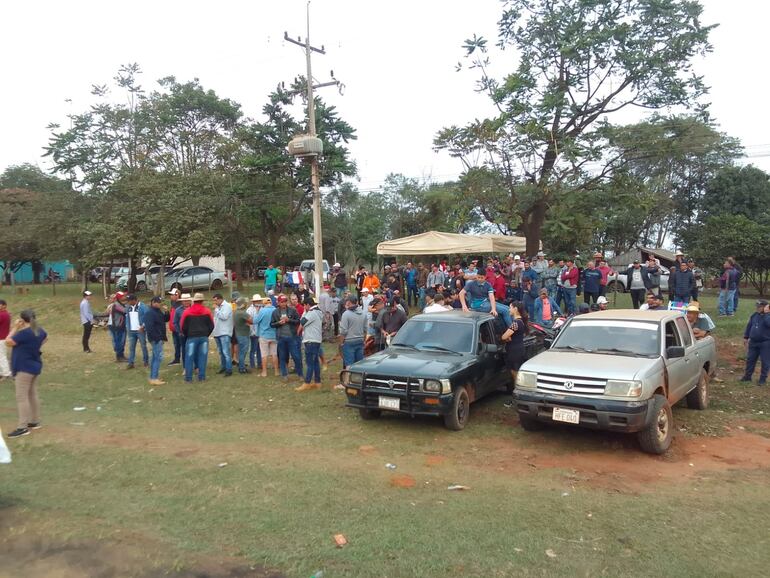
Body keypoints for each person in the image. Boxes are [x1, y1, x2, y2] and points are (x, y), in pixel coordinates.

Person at [4, 310, 47, 438]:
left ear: (22, 320)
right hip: (35, 365)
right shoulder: (39, 331)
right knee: (32, 394)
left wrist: (15, 327)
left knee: (21, 397)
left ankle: (22, 427)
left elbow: (7, 341)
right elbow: (45, 339)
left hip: (24, 367)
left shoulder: (23, 334)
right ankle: (34, 421)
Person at [180, 293, 214, 382]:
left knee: (189, 357)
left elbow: (182, 326)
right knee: (203, 357)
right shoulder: (207, 311)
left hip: (191, 337)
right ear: (202, 301)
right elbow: (211, 325)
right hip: (203, 337)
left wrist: (187, 334)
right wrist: (206, 334)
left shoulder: (187, 312)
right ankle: (201, 377)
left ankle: (188, 378)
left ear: (193, 301)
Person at [271, 294, 302, 381]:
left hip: (292, 337)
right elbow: (272, 324)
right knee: (282, 356)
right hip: (281, 337)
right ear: (278, 303)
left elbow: (298, 321)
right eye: (282, 302)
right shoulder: (275, 312)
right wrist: (278, 323)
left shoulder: (292, 310)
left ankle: (300, 374)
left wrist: (289, 320)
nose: (284, 304)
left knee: (296, 356)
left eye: (285, 302)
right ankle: (284, 374)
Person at [296, 297, 324, 391]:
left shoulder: (312, 313)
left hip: (311, 340)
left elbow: (302, 321)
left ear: (308, 305)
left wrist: (305, 312)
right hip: (316, 340)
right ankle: (317, 382)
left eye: (304, 305)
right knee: (315, 362)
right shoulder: (318, 311)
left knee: (310, 363)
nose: (304, 307)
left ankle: (307, 382)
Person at [741, 300, 770, 385]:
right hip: (753, 342)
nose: (757, 308)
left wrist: (766, 314)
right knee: (750, 359)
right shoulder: (754, 315)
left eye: (760, 306)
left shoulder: (768, 317)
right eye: (757, 306)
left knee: (765, 361)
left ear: (765, 307)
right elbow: (749, 326)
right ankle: (747, 376)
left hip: (765, 342)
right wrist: (746, 337)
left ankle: (762, 379)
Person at [144, 296, 170, 386]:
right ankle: (154, 378)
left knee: (155, 357)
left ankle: (153, 376)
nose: (160, 304)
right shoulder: (150, 313)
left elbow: (165, 319)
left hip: (159, 337)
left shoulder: (158, 311)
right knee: (158, 358)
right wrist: (157, 338)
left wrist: (166, 311)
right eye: (158, 302)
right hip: (156, 338)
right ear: (153, 302)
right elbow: (149, 328)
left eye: (160, 302)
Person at [501, 301, 528, 385]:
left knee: (515, 373)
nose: (509, 309)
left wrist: (506, 337)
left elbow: (504, 337)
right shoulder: (520, 322)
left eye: (510, 307)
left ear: (515, 309)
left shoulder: (516, 323)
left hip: (514, 351)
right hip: (518, 349)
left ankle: (518, 389)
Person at [339, 296, 367, 370]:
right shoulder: (363, 313)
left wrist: (341, 343)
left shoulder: (346, 314)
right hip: (360, 339)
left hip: (349, 341)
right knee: (359, 363)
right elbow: (365, 329)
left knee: (349, 364)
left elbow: (343, 331)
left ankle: (347, 380)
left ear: (349, 303)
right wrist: (363, 340)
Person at [212, 293, 234, 377]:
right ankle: (223, 367)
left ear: (220, 299)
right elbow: (215, 319)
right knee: (221, 352)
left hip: (225, 332)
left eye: (215, 300)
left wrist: (217, 310)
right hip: (217, 332)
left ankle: (229, 369)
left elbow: (224, 316)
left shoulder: (227, 306)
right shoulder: (218, 307)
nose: (214, 302)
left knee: (226, 352)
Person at [256, 297, 279, 377]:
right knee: (274, 354)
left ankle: (264, 372)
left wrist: (257, 312)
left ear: (264, 303)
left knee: (264, 354)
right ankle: (276, 371)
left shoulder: (262, 311)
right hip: (274, 334)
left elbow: (255, 321)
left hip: (264, 335)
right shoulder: (276, 310)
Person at [125, 295, 149, 369]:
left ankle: (146, 361)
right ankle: (131, 363)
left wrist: (143, 326)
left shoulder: (143, 307)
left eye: (129, 301)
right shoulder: (128, 307)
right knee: (131, 347)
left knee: (143, 346)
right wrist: (127, 326)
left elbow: (147, 317)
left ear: (134, 300)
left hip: (140, 330)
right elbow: (127, 317)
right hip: (131, 331)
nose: (128, 302)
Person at [232, 297, 251, 374]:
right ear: (243, 304)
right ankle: (242, 368)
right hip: (243, 334)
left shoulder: (236, 312)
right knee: (243, 351)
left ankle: (241, 367)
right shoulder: (242, 313)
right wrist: (248, 323)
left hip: (238, 333)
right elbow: (252, 320)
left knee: (241, 351)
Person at [108, 292, 128, 362]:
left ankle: (121, 355)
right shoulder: (116, 305)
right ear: (119, 298)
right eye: (123, 296)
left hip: (121, 325)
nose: (125, 297)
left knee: (122, 341)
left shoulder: (120, 304)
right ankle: (119, 357)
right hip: (118, 326)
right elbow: (125, 311)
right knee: (120, 341)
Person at [246, 294, 264, 372]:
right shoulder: (249, 310)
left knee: (260, 349)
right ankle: (252, 364)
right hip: (253, 332)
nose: (257, 302)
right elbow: (249, 321)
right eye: (256, 301)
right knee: (253, 349)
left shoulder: (262, 308)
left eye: (258, 301)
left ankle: (260, 364)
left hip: (261, 332)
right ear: (253, 302)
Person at [167, 288, 183, 366]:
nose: (171, 296)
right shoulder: (173, 303)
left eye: (172, 295)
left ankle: (183, 359)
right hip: (173, 328)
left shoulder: (181, 304)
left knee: (181, 345)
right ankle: (177, 359)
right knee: (176, 344)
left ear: (177, 295)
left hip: (179, 329)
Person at [0, 300, 11, 379]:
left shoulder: (2, 315)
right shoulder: (6, 314)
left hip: (1, 338)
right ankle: (4, 372)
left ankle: (6, 373)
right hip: (3, 338)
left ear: (4, 305)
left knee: (2, 356)